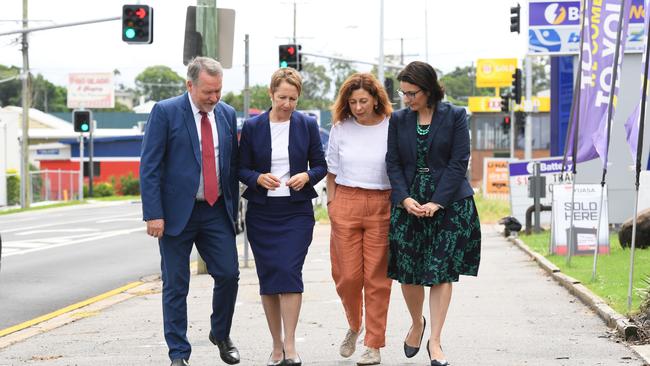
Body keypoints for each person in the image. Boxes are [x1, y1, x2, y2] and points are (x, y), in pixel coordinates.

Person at [140, 57, 241, 366]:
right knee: (176, 284)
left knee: (228, 274)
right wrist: (153, 213)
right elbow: (150, 165)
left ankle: (220, 333)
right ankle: (179, 354)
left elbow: (231, 165)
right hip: (174, 215)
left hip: (215, 210)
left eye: (218, 91)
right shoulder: (166, 112)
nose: (214, 98)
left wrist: (235, 212)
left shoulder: (226, 114)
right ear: (190, 85)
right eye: (208, 92)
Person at [385, 61, 481, 366]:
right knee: (409, 272)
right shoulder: (398, 120)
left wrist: (438, 202)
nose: (407, 99)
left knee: (441, 272)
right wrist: (404, 199)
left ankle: (436, 342)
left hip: (449, 204)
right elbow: (393, 163)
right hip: (409, 203)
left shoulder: (454, 115)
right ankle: (417, 323)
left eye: (412, 93)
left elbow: (458, 162)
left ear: (428, 91)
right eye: (403, 93)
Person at [238, 68, 327, 366]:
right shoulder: (252, 127)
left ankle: (290, 345)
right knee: (269, 278)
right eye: (282, 98)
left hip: (296, 212)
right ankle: (275, 345)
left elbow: (320, 166)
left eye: (293, 99)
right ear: (271, 94)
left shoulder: (307, 125)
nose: (287, 104)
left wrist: (306, 175)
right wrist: (257, 178)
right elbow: (240, 168)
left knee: (289, 273)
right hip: (263, 214)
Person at [326, 73, 394, 366]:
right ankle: (355, 324)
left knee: (377, 279)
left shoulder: (392, 126)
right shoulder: (341, 128)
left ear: (377, 99)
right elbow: (331, 170)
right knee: (347, 277)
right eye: (352, 102)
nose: (358, 107)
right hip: (346, 200)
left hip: (382, 202)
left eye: (363, 101)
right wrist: (331, 202)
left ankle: (373, 344)